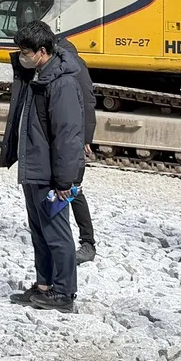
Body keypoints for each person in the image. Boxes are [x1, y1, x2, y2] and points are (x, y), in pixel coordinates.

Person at [0, 22, 87, 315]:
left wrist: (64, 182)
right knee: (39, 231)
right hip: (34, 169)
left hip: (51, 175)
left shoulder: (61, 83)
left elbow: (67, 137)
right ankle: (44, 286)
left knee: (57, 234)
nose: (21, 56)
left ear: (42, 51)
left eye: (25, 52)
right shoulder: (35, 77)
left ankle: (64, 292)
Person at [71, 51, 98, 265]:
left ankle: (87, 241)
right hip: (68, 137)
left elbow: (88, 101)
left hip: (72, 138)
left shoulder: (71, 64)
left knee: (73, 188)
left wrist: (86, 137)